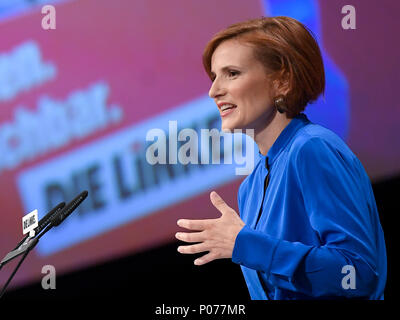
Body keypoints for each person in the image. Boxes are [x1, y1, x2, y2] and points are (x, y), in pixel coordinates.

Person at [175, 16, 386, 300]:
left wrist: (247, 245)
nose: (214, 91)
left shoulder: (311, 150)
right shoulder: (249, 190)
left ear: (282, 81)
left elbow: (356, 274)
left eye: (232, 73)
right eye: (214, 77)